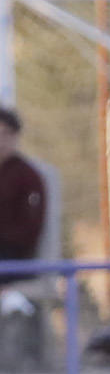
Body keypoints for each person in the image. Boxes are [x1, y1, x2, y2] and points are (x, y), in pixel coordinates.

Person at [0, 106, 47, 282]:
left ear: (15, 136)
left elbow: (29, 229)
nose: (1, 140)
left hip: (13, 258)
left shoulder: (28, 176)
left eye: (6, 134)